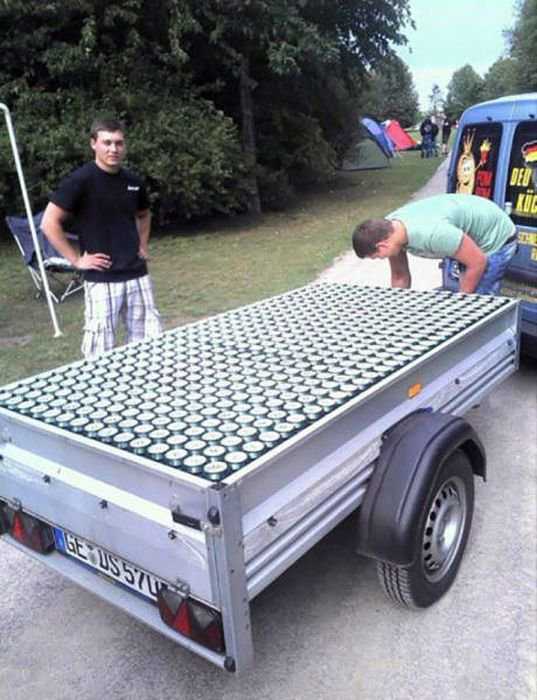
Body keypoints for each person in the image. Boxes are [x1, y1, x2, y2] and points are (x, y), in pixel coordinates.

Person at [42, 117, 162, 359]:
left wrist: (142, 245)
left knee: (149, 343)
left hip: (137, 274)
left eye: (119, 143)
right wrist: (76, 260)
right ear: (93, 144)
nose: (113, 149)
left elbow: (144, 214)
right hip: (102, 278)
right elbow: (49, 223)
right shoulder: (80, 181)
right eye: (107, 142)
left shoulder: (133, 182)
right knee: (99, 348)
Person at [352, 193, 518, 295]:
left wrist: (463, 302)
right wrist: (396, 309)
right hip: (464, 233)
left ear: (382, 246)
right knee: (465, 288)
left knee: (479, 302)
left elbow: (478, 262)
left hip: (495, 237)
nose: (380, 259)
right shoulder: (390, 231)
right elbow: (399, 276)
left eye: (376, 257)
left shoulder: (433, 233)